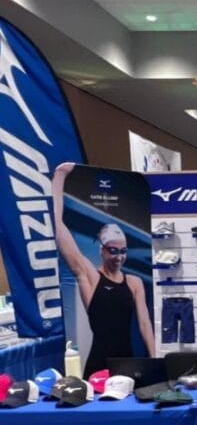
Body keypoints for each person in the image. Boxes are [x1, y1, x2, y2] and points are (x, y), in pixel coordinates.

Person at [53, 162, 155, 378]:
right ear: (102, 250)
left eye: (123, 251)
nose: (119, 257)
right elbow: (60, 229)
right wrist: (59, 178)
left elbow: (145, 324)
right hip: (98, 363)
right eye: (113, 250)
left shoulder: (134, 282)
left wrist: (156, 361)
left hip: (128, 362)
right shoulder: (89, 276)